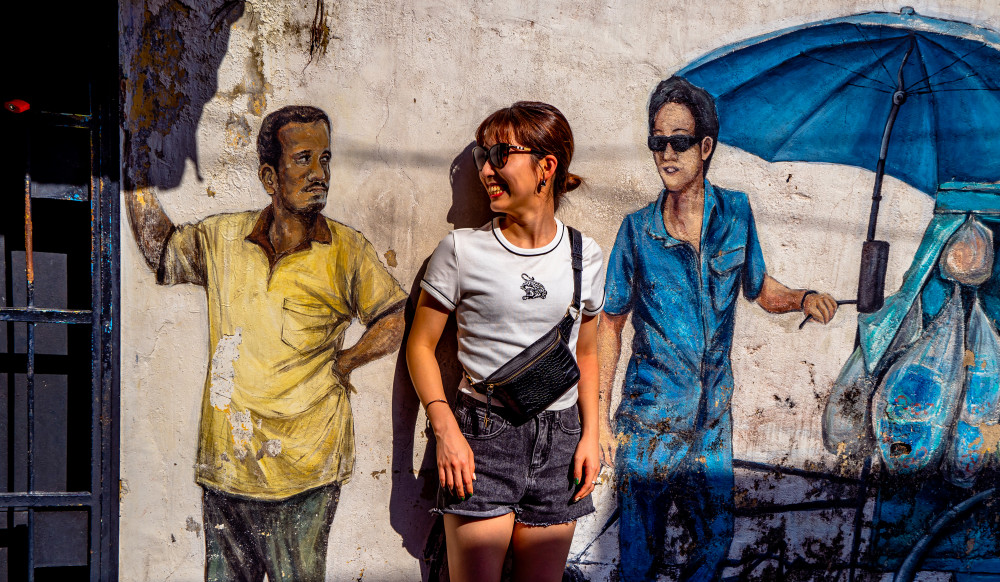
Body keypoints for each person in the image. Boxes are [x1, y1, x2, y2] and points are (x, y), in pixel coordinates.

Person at [124, 105, 407, 582]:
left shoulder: (347, 249)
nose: (319, 174)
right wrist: (133, 171)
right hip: (228, 466)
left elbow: (395, 315)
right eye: (303, 159)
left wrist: (346, 362)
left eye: (325, 159)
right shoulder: (222, 238)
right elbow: (162, 250)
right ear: (269, 177)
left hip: (307, 469)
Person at [597, 77, 839, 581]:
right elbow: (610, 324)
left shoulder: (736, 214)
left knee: (715, 542)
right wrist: (599, 418)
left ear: (705, 147)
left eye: (679, 141)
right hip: (649, 423)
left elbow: (759, 288)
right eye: (658, 142)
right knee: (638, 560)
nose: (667, 154)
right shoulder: (637, 230)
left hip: (711, 423)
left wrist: (803, 298)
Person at [406, 102, 605, 582]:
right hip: (482, 439)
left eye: (499, 155)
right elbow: (420, 346)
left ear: (546, 167)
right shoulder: (461, 250)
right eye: (481, 157)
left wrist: (591, 436)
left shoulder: (585, 255)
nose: (486, 170)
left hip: (561, 443)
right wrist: (445, 430)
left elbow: (586, 352)